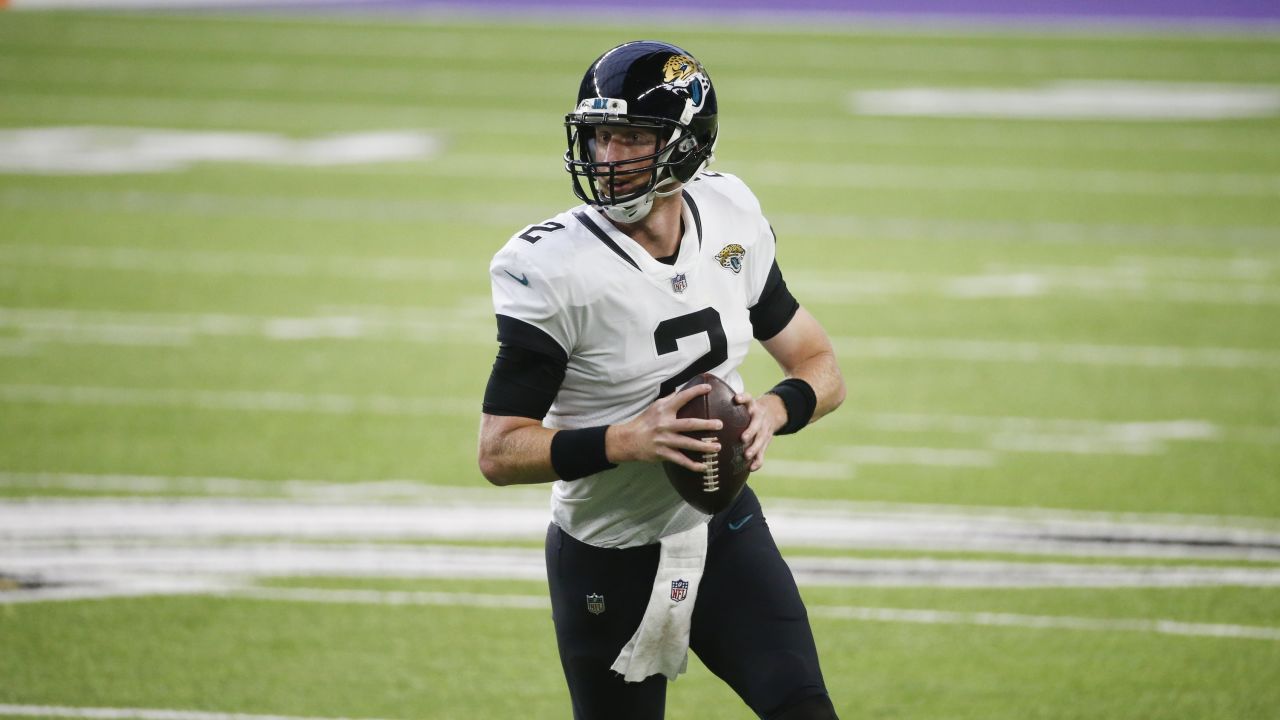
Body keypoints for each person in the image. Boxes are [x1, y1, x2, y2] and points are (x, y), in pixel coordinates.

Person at [477, 40, 845, 720]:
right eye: (599, 137)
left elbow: (820, 366)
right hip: (606, 555)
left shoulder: (731, 215)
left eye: (631, 138)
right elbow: (499, 451)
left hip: (722, 529)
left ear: (685, 145)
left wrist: (771, 410)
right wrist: (627, 439)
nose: (608, 158)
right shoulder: (553, 267)